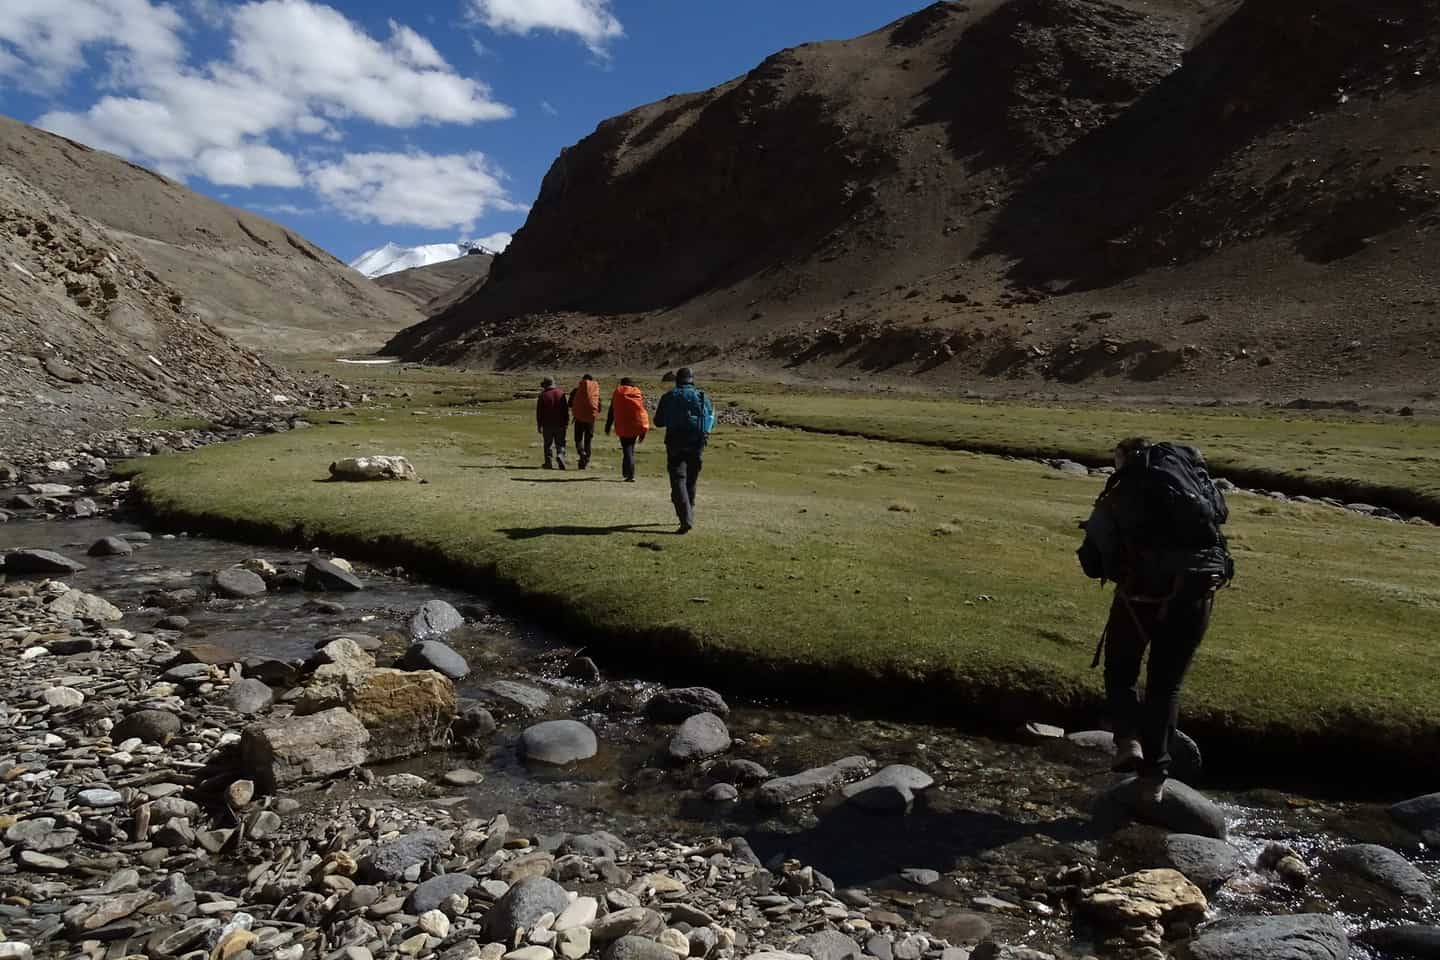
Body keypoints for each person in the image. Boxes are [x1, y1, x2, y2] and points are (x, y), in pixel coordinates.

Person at [1077, 437, 1234, 805]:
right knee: (1166, 686)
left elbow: (1091, 562)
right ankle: (1154, 780)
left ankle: (1127, 741)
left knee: (1121, 671)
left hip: (1139, 598)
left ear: (1124, 458)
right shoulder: (1195, 486)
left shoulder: (1123, 489)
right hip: (1197, 596)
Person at [653, 367, 714, 533]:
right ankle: (689, 512)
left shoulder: (669, 396)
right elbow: (710, 420)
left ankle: (686, 518)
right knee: (691, 480)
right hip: (697, 443)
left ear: (677, 380)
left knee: (678, 479)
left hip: (675, 442)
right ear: (692, 379)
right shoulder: (701, 396)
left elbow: (658, 421)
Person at [604, 377, 650, 481]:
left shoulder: (618, 394)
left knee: (627, 449)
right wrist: (643, 432)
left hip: (623, 425)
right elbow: (641, 412)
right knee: (630, 448)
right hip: (636, 425)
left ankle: (630, 474)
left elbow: (612, 411)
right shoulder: (636, 394)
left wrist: (608, 426)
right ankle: (626, 472)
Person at [535, 377, 570, 469]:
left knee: (548, 444)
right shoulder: (561, 393)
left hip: (547, 424)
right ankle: (560, 455)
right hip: (560, 423)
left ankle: (548, 462)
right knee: (560, 443)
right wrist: (566, 422)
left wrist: (539, 425)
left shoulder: (543, 395)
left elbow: (539, 412)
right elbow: (565, 410)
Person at [569, 374, 602, 470]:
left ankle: (581, 452)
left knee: (578, 439)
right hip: (590, 420)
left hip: (579, 419)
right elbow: (599, 407)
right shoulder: (595, 391)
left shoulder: (577, 390)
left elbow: (570, 404)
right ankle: (586, 460)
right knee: (588, 441)